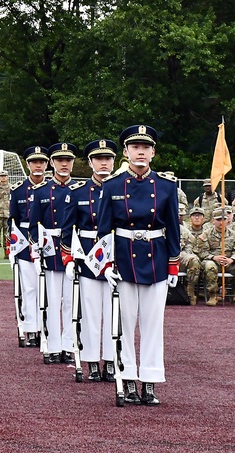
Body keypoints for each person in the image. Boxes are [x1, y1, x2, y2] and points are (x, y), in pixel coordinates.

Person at [97, 124, 179, 405]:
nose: (140, 152)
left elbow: (173, 230)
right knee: (125, 323)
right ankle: (128, 380)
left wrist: (173, 265)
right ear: (126, 152)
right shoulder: (112, 186)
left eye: (146, 147)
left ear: (153, 152)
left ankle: (151, 381)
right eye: (135, 147)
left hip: (155, 258)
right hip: (123, 259)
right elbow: (103, 230)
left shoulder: (167, 187)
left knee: (154, 324)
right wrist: (105, 264)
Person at [60, 139, 117, 381]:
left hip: (117, 258)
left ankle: (112, 361)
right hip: (88, 260)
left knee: (115, 313)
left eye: (108, 158)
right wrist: (68, 258)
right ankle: (92, 360)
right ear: (90, 162)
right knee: (91, 313)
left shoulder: (121, 187)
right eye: (98, 159)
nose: (103, 163)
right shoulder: (78, 192)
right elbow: (66, 229)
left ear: (115, 161)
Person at [29, 142, 77, 365]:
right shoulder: (41, 191)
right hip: (50, 251)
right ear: (52, 163)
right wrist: (37, 249)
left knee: (71, 302)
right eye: (59, 160)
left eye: (68, 160)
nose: (64, 164)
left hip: (73, 253)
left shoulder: (79, 190)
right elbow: (33, 225)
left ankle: (68, 345)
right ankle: (53, 345)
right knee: (51, 302)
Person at [9, 146, 49, 348]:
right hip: (24, 244)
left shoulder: (52, 189)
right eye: (34, 162)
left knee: (48, 289)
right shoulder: (17, 190)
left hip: (48, 243)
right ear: (28, 164)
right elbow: (12, 220)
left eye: (42, 162)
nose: (38, 165)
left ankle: (46, 328)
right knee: (29, 288)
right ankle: (31, 329)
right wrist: (13, 245)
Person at [193, 208, 234, 307]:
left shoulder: (233, 234)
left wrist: (231, 259)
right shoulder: (206, 234)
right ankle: (212, 295)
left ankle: (233, 293)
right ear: (213, 220)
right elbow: (201, 252)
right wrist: (214, 257)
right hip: (213, 261)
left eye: (223, 219)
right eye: (218, 219)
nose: (221, 222)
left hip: (229, 261)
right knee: (209, 266)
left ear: (227, 220)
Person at [184, 207, 207, 303]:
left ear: (204, 219)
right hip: (191, 257)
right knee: (194, 262)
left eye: (199, 215)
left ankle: (213, 292)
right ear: (190, 218)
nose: (197, 218)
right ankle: (190, 292)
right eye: (194, 215)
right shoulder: (185, 230)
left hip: (206, 256)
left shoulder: (209, 231)